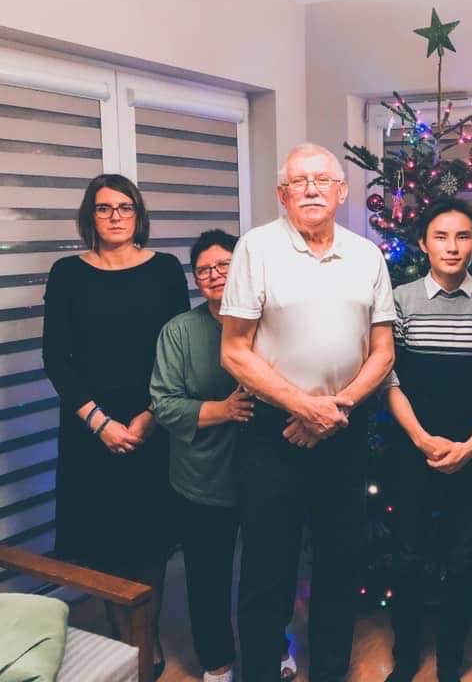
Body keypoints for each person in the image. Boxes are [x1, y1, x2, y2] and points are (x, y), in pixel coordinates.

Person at [220, 143, 396, 682]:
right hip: (275, 431)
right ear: (282, 194)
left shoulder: (367, 255)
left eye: (323, 180)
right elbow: (233, 350)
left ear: (342, 192)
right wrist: (301, 406)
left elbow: (383, 350)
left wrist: (334, 408)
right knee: (267, 571)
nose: (312, 189)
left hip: (344, 426)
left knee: (340, 565)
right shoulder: (257, 248)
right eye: (300, 181)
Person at [42, 173, 189, 678]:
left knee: (148, 538)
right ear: (91, 217)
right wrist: (99, 421)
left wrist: (150, 416)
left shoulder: (166, 270)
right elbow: (55, 357)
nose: (116, 216)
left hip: (153, 420)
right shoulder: (67, 273)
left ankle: (143, 644)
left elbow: (179, 349)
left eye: (125, 207)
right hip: (90, 428)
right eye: (105, 208)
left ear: (138, 214)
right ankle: (120, 638)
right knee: (103, 540)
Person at [150, 230, 298, 682]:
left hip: (268, 473)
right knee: (207, 578)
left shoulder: (272, 325)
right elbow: (163, 402)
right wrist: (223, 410)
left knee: (270, 574)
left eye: (224, 266)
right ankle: (216, 663)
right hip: (201, 477)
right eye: (204, 270)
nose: (215, 276)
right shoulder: (179, 331)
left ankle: (273, 651)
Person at [383, 199, 472, 682]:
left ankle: (451, 660)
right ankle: (405, 657)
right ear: (423, 243)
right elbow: (388, 378)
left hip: (471, 450)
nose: (452, 246)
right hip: (410, 450)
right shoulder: (399, 300)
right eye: (441, 236)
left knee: (462, 558)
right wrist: (421, 439)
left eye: (463, 236)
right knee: (408, 557)